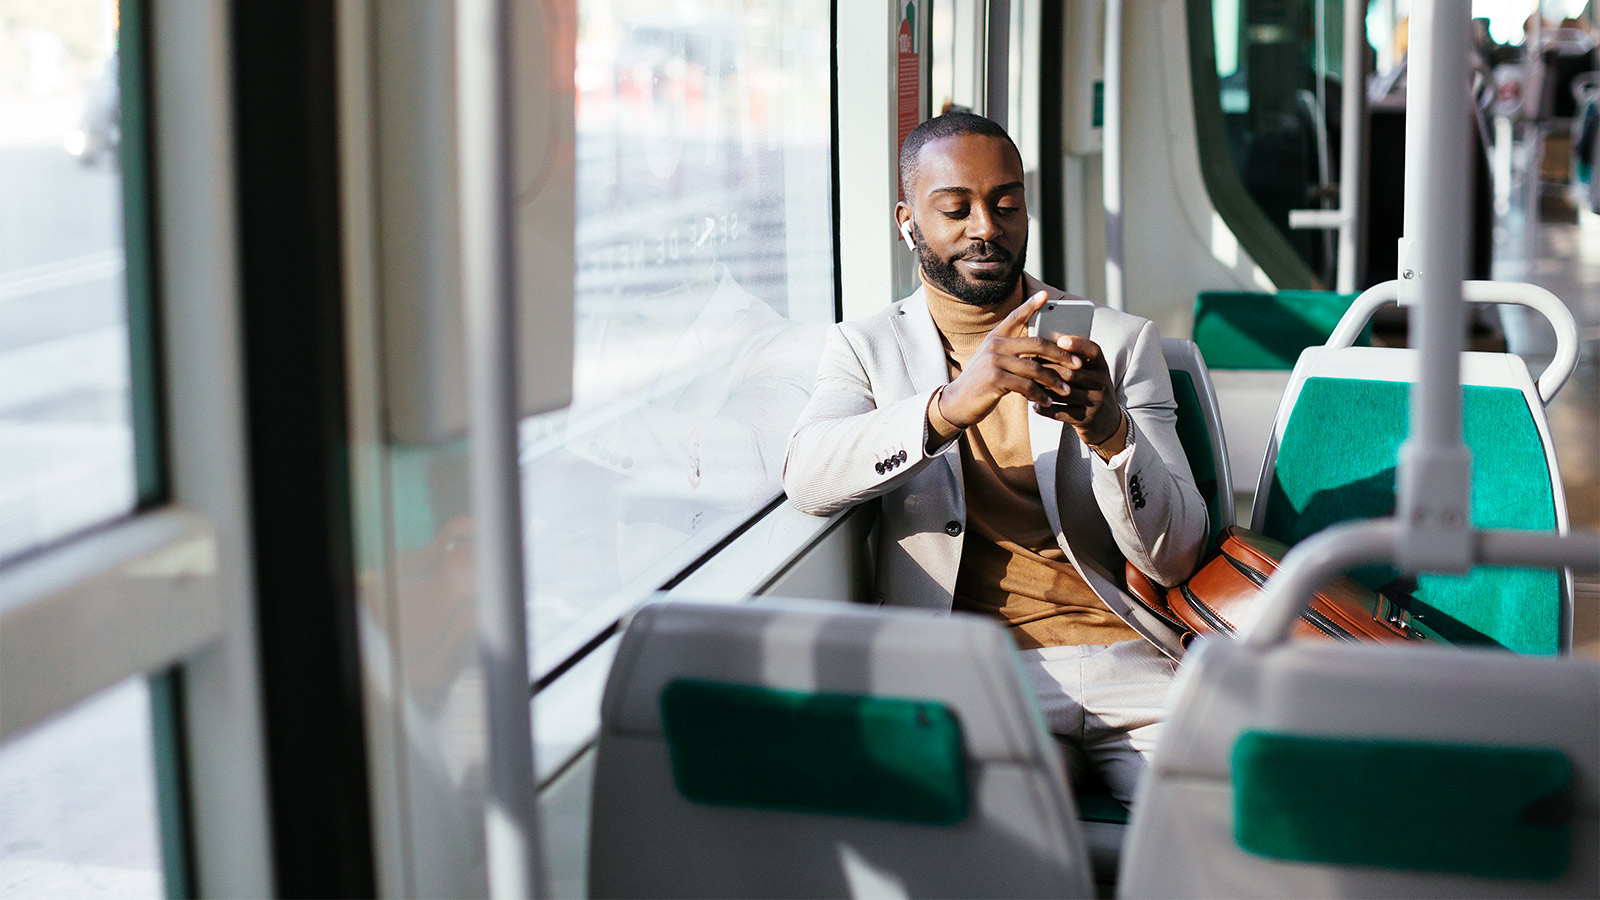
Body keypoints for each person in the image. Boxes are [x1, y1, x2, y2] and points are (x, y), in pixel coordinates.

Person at [782, 112, 1207, 804]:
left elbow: (1178, 554)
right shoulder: (865, 349)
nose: (987, 227)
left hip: (1131, 661)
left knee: (1217, 836)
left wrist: (1111, 433)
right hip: (977, 670)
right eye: (956, 209)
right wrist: (950, 404)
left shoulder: (1118, 343)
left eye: (1007, 204)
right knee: (1004, 839)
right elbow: (808, 474)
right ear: (907, 221)